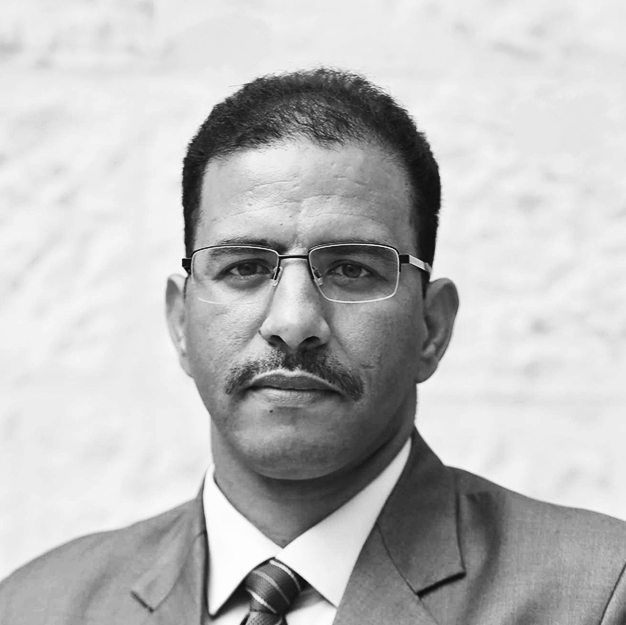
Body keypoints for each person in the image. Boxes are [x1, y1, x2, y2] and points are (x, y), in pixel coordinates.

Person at [1, 67, 625, 625]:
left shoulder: (599, 596)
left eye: (352, 269)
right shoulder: (34, 607)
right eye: (244, 267)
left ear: (432, 328)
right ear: (180, 322)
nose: (294, 322)